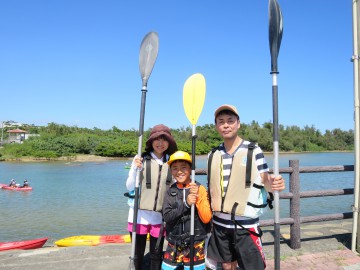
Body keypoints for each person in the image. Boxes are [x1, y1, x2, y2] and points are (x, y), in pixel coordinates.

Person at [206, 104, 286, 270]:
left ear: (238, 123)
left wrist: (274, 183)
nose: (226, 125)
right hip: (219, 225)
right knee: (227, 265)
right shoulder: (212, 154)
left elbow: (265, 180)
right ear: (216, 126)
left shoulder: (253, 150)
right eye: (221, 121)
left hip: (245, 225)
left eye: (230, 120)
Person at [126, 124, 178, 270]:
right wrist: (136, 169)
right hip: (139, 215)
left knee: (156, 255)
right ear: (151, 141)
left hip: (160, 217)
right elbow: (129, 186)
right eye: (157, 139)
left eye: (164, 140)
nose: (160, 143)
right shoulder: (140, 158)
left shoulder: (172, 162)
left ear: (169, 143)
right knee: (137, 254)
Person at [161, 151, 212, 270]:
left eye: (184, 167)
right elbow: (167, 217)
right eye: (174, 168)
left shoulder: (200, 189)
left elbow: (206, 218)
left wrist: (198, 197)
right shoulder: (169, 191)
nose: (179, 171)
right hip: (174, 242)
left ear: (190, 169)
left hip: (196, 242)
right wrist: (186, 204)